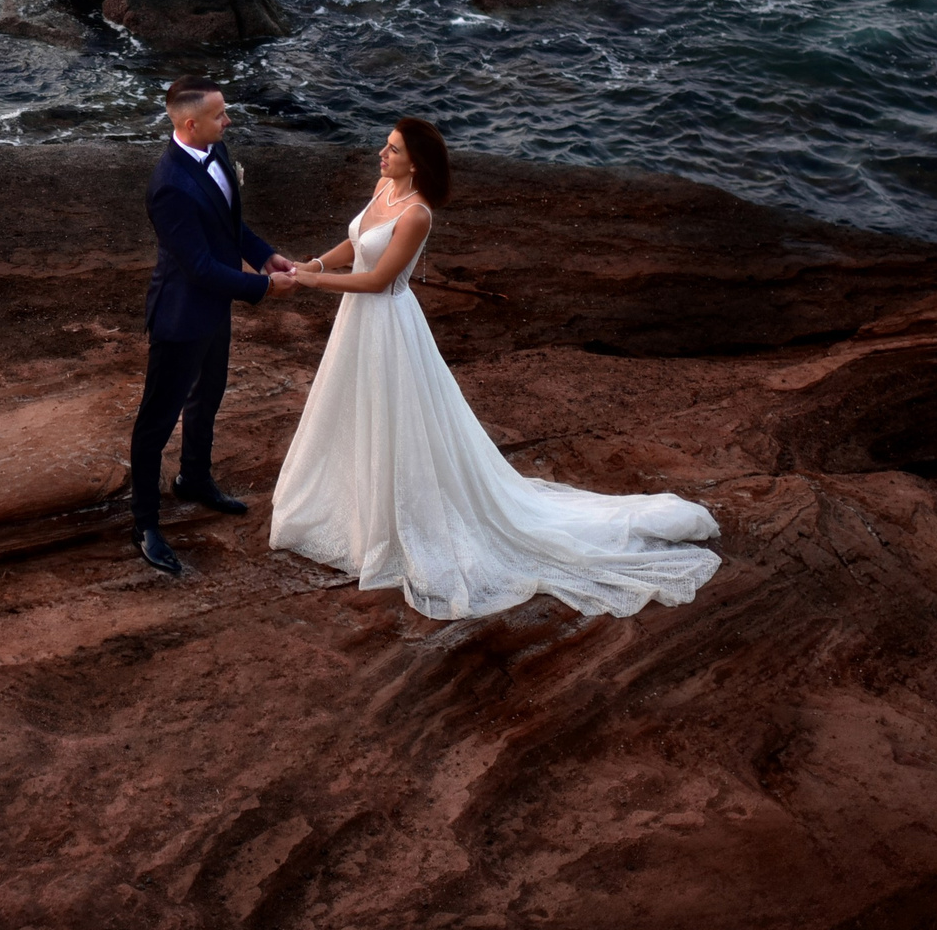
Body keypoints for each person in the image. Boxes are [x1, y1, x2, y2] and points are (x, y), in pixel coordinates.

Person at [269, 118, 721, 619]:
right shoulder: (383, 188)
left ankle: (397, 520)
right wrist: (313, 265)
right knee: (354, 409)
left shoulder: (417, 213)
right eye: (386, 145)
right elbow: (356, 245)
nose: (382, 153)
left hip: (387, 324)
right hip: (357, 323)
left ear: (414, 162)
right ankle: (354, 508)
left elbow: (377, 280)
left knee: (393, 416)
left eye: (392, 149)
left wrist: (311, 286)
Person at [127, 76, 297, 577]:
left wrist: (265, 256)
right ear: (189, 123)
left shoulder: (216, 152)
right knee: (156, 422)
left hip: (214, 309)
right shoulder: (168, 187)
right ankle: (144, 524)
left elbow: (230, 226)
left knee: (209, 396)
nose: (228, 121)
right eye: (221, 115)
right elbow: (198, 267)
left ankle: (194, 479)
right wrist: (264, 290)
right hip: (181, 317)